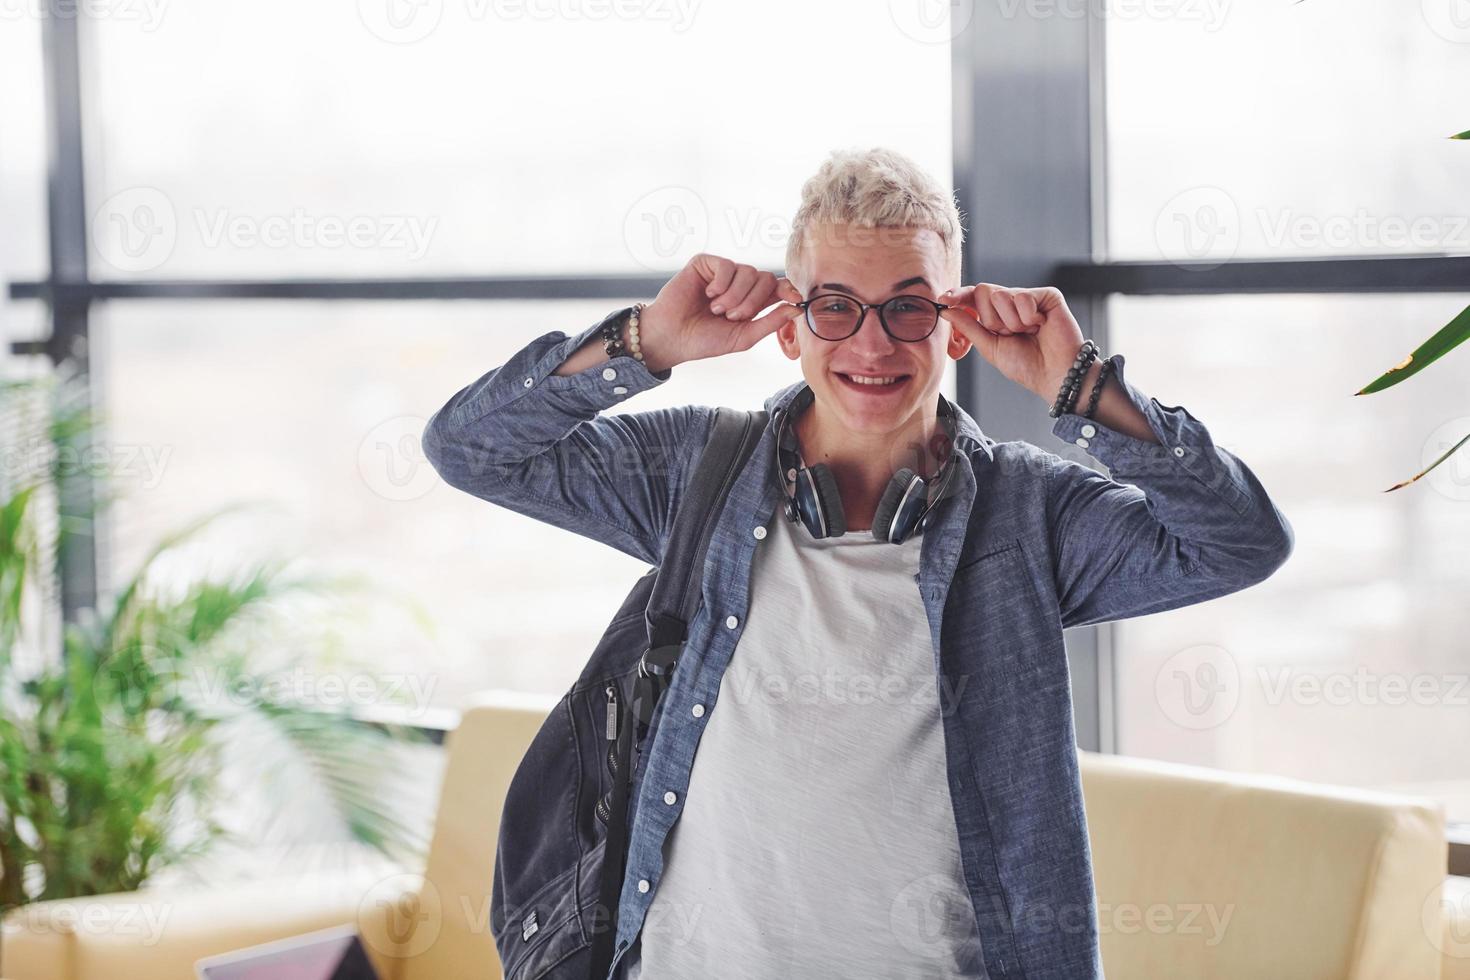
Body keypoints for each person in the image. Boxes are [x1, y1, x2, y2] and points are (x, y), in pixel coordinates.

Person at [421, 147, 1294, 980]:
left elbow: (1240, 542)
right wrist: (646, 340)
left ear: (956, 329)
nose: (871, 347)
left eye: (909, 308)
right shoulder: (697, 473)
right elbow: (473, 451)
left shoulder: (1029, 514)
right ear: (790, 326)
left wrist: (1087, 388)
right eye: (835, 306)